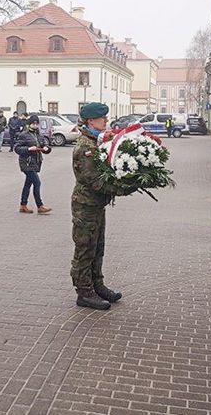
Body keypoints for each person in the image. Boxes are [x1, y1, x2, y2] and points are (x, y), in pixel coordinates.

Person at [70, 102, 132, 310]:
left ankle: (97, 285)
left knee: (97, 248)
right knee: (85, 247)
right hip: (85, 205)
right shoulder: (85, 147)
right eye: (102, 118)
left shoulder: (96, 141)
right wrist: (124, 187)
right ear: (90, 121)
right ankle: (84, 291)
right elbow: (94, 181)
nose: (106, 120)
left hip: (96, 205)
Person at [14, 114, 52, 214]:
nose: (35, 125)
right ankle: (40, 206)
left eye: (36, 123)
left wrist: (46, 148)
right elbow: (17, 148)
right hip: (26, 162)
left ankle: (23, 205)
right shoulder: (24, 135)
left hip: (35, 162)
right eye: (33, 123)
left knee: (28, 184)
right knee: (37, 182)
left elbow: (44, 145)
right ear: (29, 124)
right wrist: (29, 149)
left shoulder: (39, 134)